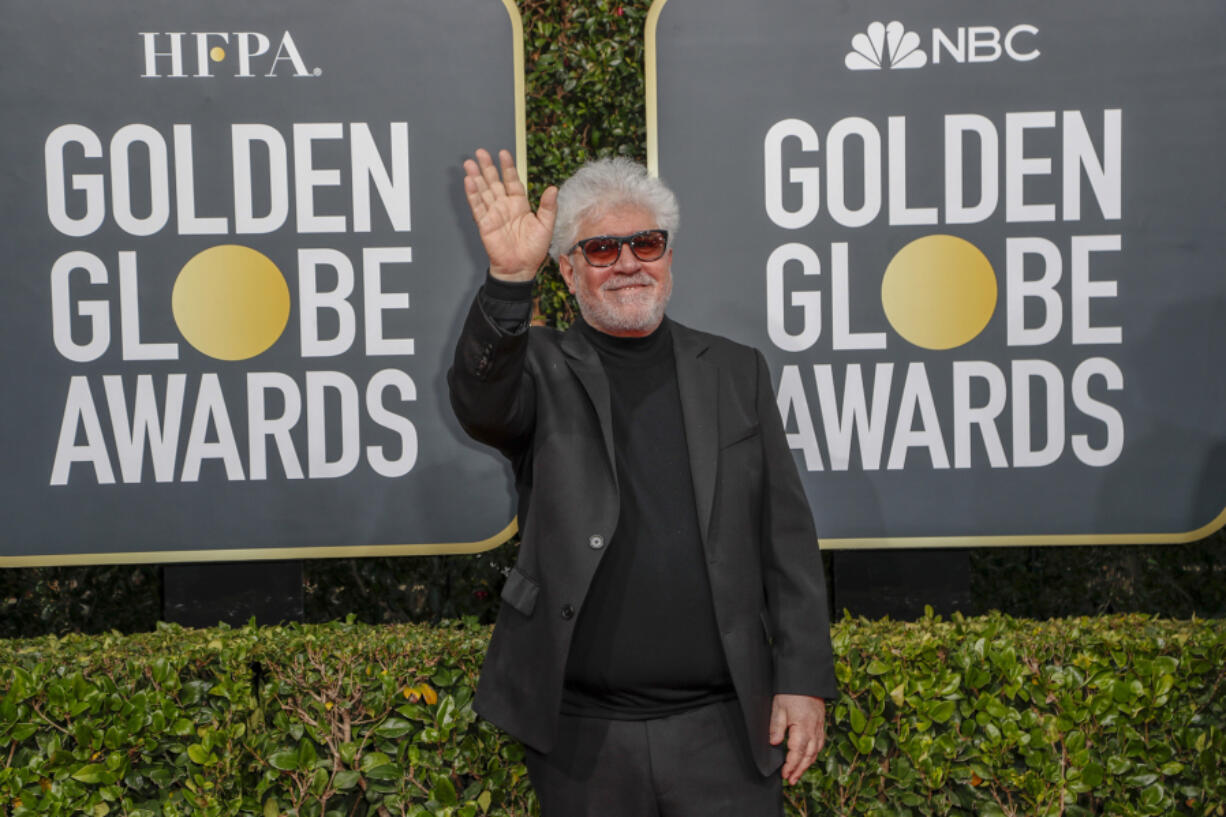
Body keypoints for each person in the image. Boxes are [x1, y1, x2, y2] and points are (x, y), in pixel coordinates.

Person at [448, 149, 837, 816]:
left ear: (669, 257)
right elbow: (479, 402)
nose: (628, 262)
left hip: (727, 730)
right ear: (568, 270)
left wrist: (802, 680)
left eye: (646, 243)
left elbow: (788, 540)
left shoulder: (736, 371)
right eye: (600, 249)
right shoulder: (537, 369)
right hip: (582, 739)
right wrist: (510, 283)